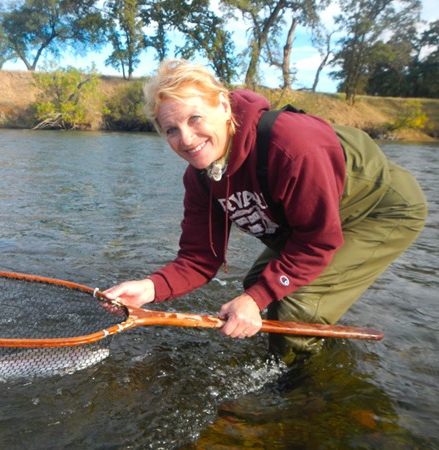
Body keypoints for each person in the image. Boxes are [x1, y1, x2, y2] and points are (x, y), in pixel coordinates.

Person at [103, 59, 428, 364]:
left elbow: (317, 243)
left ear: (223, 105)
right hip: (309, 220)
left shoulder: (293, 146)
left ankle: (296, 399)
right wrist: (150, 288)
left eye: (194, 118)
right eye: (171, 130)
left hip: (378, 211)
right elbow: (200, 258)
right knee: (258, 282)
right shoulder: (201, 178)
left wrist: (257, 300)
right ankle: (308, 333)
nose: (186, 139)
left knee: (294, 305)